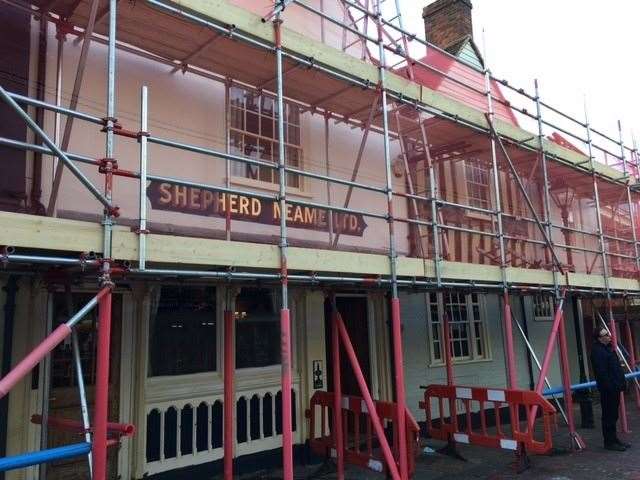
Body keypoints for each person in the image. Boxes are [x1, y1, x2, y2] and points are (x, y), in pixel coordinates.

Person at [590, 327, 630, 451]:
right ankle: (609, 442)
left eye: (608, 334)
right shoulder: (598, 352)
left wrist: (620, 383)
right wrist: (611, 386)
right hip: (608, 390)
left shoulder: (608, 349)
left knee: (613, 415)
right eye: (605, 335)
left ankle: (613, 439)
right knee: (608, 415)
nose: (609, 336)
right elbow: (602, 373)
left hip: (614, 387)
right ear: (599, 338)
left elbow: (615, 368)